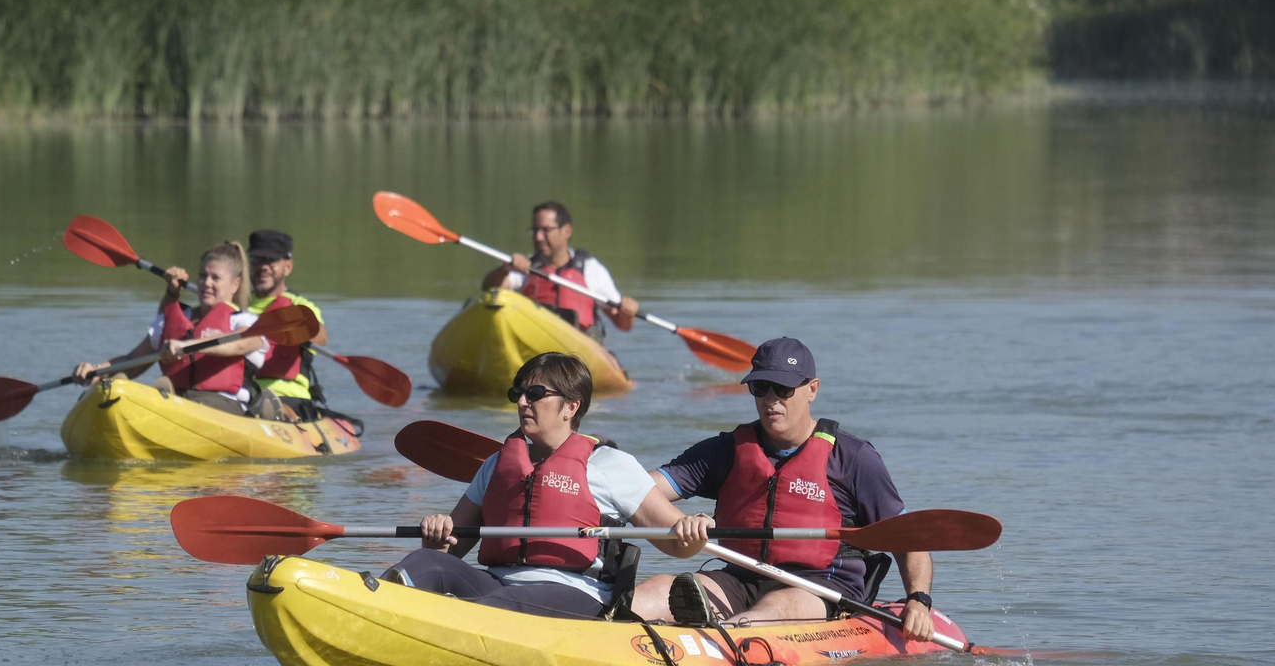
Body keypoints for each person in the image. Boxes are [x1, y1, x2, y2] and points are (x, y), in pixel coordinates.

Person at [629, 337, 938, 642]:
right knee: (657, 590)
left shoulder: (853, 458)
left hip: (820, 587)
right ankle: (609, 627)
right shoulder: (725, 450)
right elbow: (638, 491)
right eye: (760, 388)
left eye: (783, 388)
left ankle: (717, 639)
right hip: (739, 578)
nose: (770, 399)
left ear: (812, 389)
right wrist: (681, 519)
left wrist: (919, 600)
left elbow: (907, 538)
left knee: (776, 607)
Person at [384, 352, 713, 618]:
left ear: (572, 406)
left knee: (500, 606)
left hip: (577, 592)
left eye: (536, 394)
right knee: (424, 564)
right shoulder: (496, 465)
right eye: (519, 393)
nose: (523, 402)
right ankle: (379, 609)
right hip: (497, 584)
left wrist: (694, 529)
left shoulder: (611, 466)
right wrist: (437, 535)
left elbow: (676, 543)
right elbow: (449, 550)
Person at [72, 241, 284, 420]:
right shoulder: (173, 319)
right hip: (175, 401)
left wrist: (187, 346)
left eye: (215, 278)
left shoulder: (246, 322)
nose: (206, 283)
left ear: (235, 284)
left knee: (162, 394)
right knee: (117, 380)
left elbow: (239, 342)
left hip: (224, 407)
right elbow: (133, 359)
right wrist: (96, 371)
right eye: (202, 276)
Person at [480, 201, 640, 342]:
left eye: (546, 230)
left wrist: (628, 312)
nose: (539, 237)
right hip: (534, 342)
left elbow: (623, 325)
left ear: (566, 231)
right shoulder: (525, 267)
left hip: (580, 347)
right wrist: (504, 269)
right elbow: (491, 290)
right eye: (535, 230)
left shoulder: (590, 269)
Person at [244, 229, 329, 420]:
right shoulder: (234, 305)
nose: (263, 267)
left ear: (288, 267)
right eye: (257, 260)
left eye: (271, 261)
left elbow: (321, 337)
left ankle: (281, 415)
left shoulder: (300, 306)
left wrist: (296, 324)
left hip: (290, 397)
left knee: (269, 404)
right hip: (240, 394)